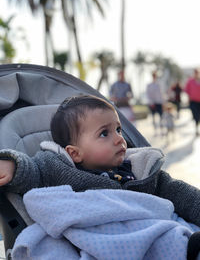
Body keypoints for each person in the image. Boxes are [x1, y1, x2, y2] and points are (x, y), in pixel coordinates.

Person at [1, 95, 200, 229]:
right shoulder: (59, 168)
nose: (119, 139)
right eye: (104, 133)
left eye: (119, 129)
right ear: (75, 153)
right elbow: (33, 172)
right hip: (101, 234)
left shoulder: (140, 170)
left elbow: (179, 192)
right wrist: (13, 165)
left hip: (148, 227)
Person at [184, 68, 200, 136]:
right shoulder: (190, 81)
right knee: (196, 115)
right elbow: (186, 90)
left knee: (199, 116)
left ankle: (197, 126)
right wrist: (188, 97)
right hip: (193, 101)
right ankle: (196, 128)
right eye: (195, 72)